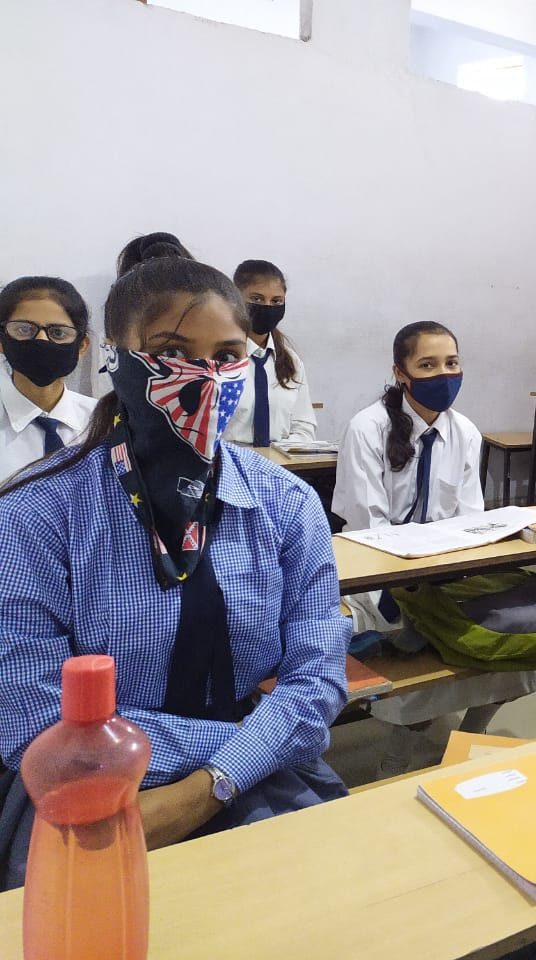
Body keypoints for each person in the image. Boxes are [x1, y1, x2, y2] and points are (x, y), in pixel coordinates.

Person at [0, 254, 349, 889]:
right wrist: (249, 743)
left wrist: (212, 783)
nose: (205, 377)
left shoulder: (286, 502)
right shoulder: (37, 514)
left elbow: (318, 676)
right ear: (115, 356)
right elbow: (34, 720)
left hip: (254, 772)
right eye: (171, 351)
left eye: (227, 355)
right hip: (85, 787)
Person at [332, 321, 536, 777]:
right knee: (422, 644)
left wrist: (464, 581)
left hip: (446, 571)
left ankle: (468, 738)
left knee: (516, 642)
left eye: (452, 363)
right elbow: (368, 528)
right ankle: (396, 756)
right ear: (400, 372)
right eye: (427, 365)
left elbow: (471, 522)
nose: (443, 374)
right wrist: (411, 587)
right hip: (379, 573)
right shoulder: (367, 428)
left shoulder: (464, 431)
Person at [0, 277, 96, 481]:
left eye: (58, 333)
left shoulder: (104, 421)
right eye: (24, 330)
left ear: (82, 346)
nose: (41, 341)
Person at [222, 259, 317, 446]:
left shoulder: (291, 362)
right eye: (257, 299)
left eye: (276, 301)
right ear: (235, 300)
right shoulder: (219, 358)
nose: (267, 307)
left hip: (278, 460)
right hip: (227, 460)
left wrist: (273, 455)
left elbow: (304, 429)